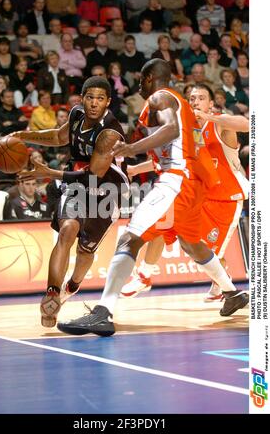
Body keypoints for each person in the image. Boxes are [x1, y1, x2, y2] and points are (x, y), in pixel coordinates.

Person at [56, 59, 249, 337]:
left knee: (129, 239)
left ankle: (103, 312)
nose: (137, 83)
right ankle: (231, 293)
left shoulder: (161, 97)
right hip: (188, 183)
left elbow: (169, 130)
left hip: (176, 181)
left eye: (140, 78)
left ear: (149, 78)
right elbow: (181, 142)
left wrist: (131, 147)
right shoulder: (178, 103)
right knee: (191, 242)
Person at [13, 76, 129, 327]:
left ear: (108, 102)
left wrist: (50, 173)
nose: (94, 103)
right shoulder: (76, 114)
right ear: (82, 99)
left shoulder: (109, 131)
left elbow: (94, 175)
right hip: (77, 183)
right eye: (90, 97)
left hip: (106, 190)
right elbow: (58, 137)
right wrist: (23, 135)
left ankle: (72, 286)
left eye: (100, 99)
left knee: (85, 250)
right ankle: (52, 295)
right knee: (67, 230)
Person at [121, 84, 249, 301]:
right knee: (164, 223)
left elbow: (246, 125)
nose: (195, 102)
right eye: (192, 98)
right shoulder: (183, 130)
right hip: (196, 196)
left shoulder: (220, 124)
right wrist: (134, 169)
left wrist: (211, 117)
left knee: (209, 254)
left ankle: (223, 285)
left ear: (211, 103)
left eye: (201, 98)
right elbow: (170, 162)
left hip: (224, 198)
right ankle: (144, 275)